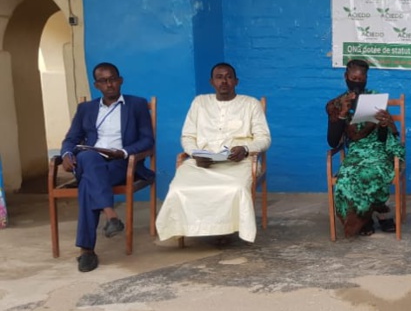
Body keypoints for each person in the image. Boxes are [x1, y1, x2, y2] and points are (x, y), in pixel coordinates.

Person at [156, 63, 271, 244]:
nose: (224, 81)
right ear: (212, 82)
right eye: (219, 77)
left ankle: (225, 230)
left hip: (238, 162)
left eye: (228, 77)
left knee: (235, 189)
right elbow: (187, 136)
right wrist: (196, 154)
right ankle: (187, 228)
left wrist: (245, 149)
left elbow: (264, 138)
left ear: (236, 81)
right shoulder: (200, 103)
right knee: (178, 189)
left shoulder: (251, 104)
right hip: (202, 162)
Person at [60, 62, 154, 272]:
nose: (109, 84)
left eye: (113, 79)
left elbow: (148, 140)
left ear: (120, 81)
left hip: (120, 163)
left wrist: (123, 152)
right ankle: (110, 214)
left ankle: (86, 251)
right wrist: (66, 154)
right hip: (92, 160)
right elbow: (71, 139)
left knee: (87, 182)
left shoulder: (136, 105)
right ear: (96, 85)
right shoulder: (86, 109)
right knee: (88, 157)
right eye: (104, 81)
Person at [326, 59, 405, 237]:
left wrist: (384, 124)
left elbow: (385, 138)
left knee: (373, 170)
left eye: (362, 79)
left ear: (366, 79)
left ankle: (370, 214)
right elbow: (332, 142)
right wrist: (342, 114)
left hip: (378, 149)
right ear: (346, 77)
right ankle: (368, 215)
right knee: (347, 176)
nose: (357, 82)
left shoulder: (375, 98)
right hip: (356, 151)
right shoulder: (335, 104)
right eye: (353, 78)